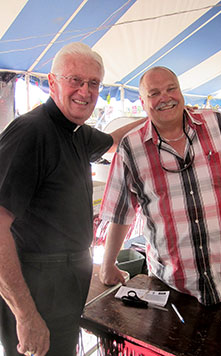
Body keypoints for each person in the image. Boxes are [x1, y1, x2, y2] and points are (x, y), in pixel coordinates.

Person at [0, 42, 145, 356]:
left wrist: (157, 116)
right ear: (52, 83)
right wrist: (25, 315)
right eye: (75, 80)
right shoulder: (31, 132)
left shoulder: (76, 131)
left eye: (93, 83)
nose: (85, 90)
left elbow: (114, 142)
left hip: (66, 282)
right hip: (36, 288)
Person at [99, 66, 221, 308]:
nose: (165, 98)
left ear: (181, 91)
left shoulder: (219, 126)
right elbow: (120, 213)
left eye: (171, 89)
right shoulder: (130, 148)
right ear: (143, 101)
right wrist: (107, 265)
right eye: (154, 93)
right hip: (171, 288)